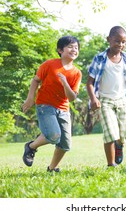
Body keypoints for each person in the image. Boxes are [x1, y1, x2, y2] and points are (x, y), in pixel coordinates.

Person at [22, 36, 82, 172]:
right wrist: (30, 98)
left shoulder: (77, 73)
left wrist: (65, 82)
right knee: (54, 135)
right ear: (60, 50)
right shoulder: (49, 64)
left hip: (63, 109)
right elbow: (35, 80)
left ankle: (52, 168)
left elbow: (72, 97)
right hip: (45, 105)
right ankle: (31, 146)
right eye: (70, 47)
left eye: (76, 47)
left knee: (65, 144)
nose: (74, 50)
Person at [86, 26, 126, 167]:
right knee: (110, 133)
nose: (120, 44)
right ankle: (111, 164)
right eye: (117, 41)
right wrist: (93, 98)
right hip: (104, 101)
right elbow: (89, 83)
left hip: (123, 100)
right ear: (108, 40)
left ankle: (120, 145)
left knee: (124, 133)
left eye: (123, 42)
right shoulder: (99, 59)